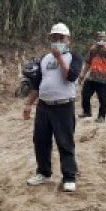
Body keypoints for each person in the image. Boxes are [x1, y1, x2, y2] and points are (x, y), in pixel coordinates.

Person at [22, 22, 81, 192]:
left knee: (65, 142)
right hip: (44, 107)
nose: (57, 40)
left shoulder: (74, 57)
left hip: (63, 106)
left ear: (68, 40)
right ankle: (43, 173)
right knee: (40, 141)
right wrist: (28, 104)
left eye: (61, 38)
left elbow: (70, 77)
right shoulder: (45, 59)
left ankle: (69, 177)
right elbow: (37, 84)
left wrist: (60, 58)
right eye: (54, 38)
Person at [78, 30, 106, 122]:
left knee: (103, 99)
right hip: (92, 77)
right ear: (96, 38)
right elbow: (88, 62)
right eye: (100, 37)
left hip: (103, 79)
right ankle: (87, 111)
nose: (102, 38)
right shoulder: (93, 49)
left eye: (103, 37)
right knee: (85, 94)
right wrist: (82, 75)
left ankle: (101, 116)